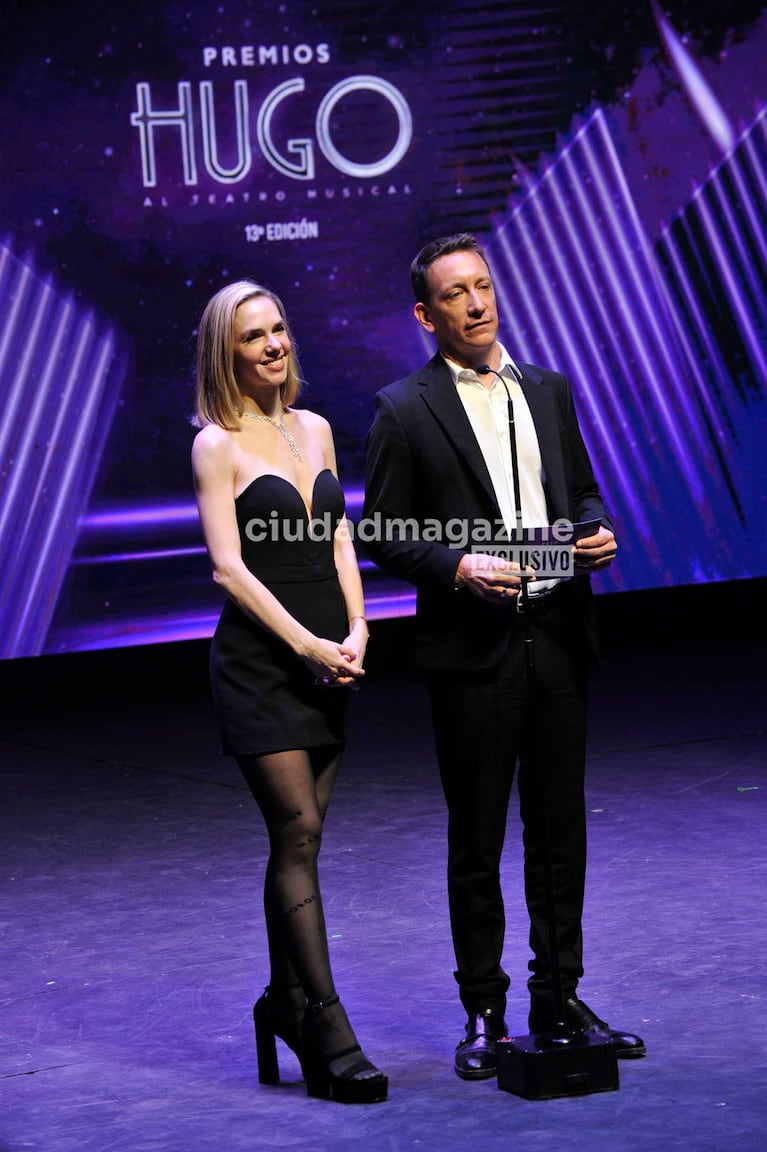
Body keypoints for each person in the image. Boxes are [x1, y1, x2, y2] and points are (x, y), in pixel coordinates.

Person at [363, 234, 645, 1080]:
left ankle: (557, 995)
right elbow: (381, 528)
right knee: (478, 836)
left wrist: (591, 532)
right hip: (473, 649)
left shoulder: (547, 391)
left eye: (481, 286)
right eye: (454, 294)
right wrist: (454, 564)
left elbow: (583, 491)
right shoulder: (403, 408)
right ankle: (484, 1012)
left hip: (556, 635)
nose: (475, 303)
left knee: (559, 830)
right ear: (426, 315)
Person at [191, 280, 387, 1104]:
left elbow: (338, 535)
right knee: (298, 831)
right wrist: (304, 644)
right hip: (262, 667)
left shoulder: (314, 428)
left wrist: (357, 628)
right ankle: (326, 1025)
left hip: (329, 661)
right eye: (251, 337)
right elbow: (228, 567)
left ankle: (282, 1002)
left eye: (277, 330)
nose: (271, 345)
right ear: (224, 353)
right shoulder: (217, 443)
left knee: (299, 845)